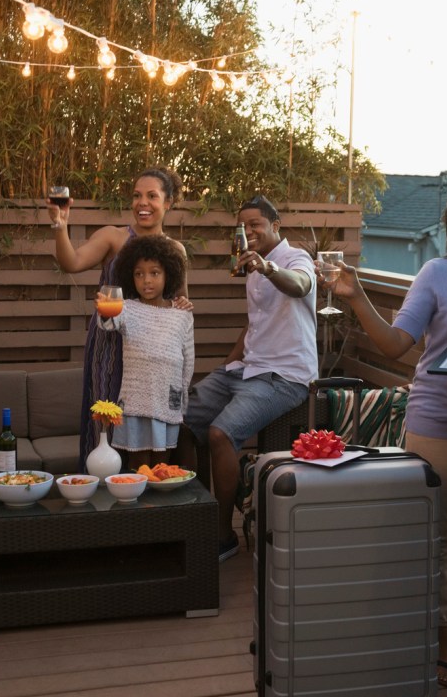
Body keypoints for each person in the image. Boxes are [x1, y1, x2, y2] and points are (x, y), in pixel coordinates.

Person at [326, 178, 447, 688]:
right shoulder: (437, 273)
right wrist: (356, 296)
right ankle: (439, 641)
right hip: (437, 422)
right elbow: (396, 345)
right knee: (440, 537)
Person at [177, 195, 316, 561]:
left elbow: (301, 285)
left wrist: (267, 268)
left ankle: (223, 536)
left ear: (276, 225)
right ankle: (198, 513)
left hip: (285, 376)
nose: (249, 230)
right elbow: (255, 323)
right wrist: (225, 369)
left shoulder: (293, 258)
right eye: (243, 225)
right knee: (180, 418)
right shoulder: (248, 265)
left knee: (222, 433)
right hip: (246, 369)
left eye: (256, 223)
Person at [43, 167, 191, 465]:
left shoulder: (176, 250)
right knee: (107, 424)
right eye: (137, 196)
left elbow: (179, 304)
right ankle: (106, 498)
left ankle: (149, 491)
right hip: (109, 349)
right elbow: (71, 263)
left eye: (152, 196)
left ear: (169, 202)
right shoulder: (113, 237)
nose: (142, 203)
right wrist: (60, 226)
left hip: (151, 358)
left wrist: (185, 307)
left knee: (152, 434)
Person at [96, 234, 195, 471]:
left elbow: (188, 360)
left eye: (154, 273)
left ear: (168, 274)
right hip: (135, 400)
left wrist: (182, 402)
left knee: (163, 467)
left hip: (166, 400)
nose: (146, 280)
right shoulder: (128, 308)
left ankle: (159, 508)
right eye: (139, 273)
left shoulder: (182, 314)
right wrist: (105, 310)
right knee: (137, 467)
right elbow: (108, 323)